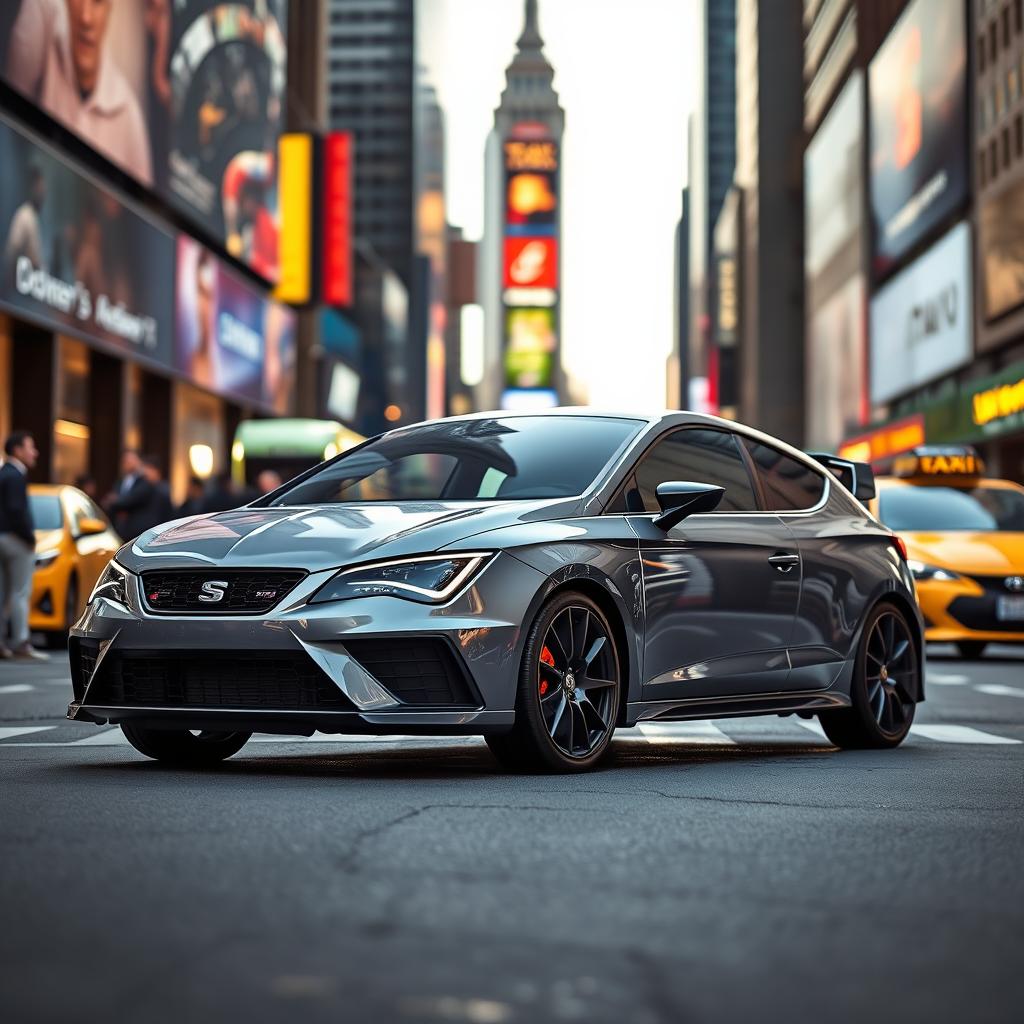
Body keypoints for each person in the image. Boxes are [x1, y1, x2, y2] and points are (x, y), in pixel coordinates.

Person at [5, 0, 153, 186]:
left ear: (109, 8)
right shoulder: (43, 26)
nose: (86, 18)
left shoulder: (130, 115)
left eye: (97, 2)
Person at [0, 431, 48, 660]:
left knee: (2, 594)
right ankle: (20, 642)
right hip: (16, 541)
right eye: (31, 447)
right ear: (18, 450)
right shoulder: (17, 475)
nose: (34, 452)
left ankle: (2, 644)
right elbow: (16, 510)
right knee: (20, 593)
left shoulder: (2, 473)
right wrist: (29, 538)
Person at [3, 164, 46, 278]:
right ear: (32, 188)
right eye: (40, 189)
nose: (42, 195)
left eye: (43, 191)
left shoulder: (34, 217)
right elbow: (12, 252)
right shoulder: (24, 215)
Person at [106, 449, 155, 541]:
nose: (127, 463)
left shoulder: (144, 481)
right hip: (120, 529)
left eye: (130, 460)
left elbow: (130, 500)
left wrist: (117, 501)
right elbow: (110, 500)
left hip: (137, 531)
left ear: (138, 461)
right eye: (125, 461)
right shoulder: (120, 481)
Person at [139, 454, 174, 532]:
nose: (144, 474)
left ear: (155, 470)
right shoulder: (147, 489)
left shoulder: (163, 490)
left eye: (147, 469)